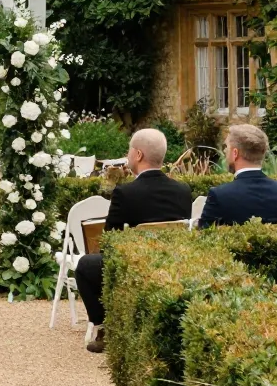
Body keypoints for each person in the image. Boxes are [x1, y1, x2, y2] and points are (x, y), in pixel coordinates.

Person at [73, 128, 192, 354]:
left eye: (129, 150)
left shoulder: (126, 192)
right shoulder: (182, 190)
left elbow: (111, 239)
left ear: (138, 155)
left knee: (86, 266)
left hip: (139, 264)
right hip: (173, 262)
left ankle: (104, 327)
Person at [196, 124, 277, 228]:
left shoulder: (219, 196)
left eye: (227, 147)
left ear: (235, 153)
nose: (225, 151)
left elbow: (203, 236)